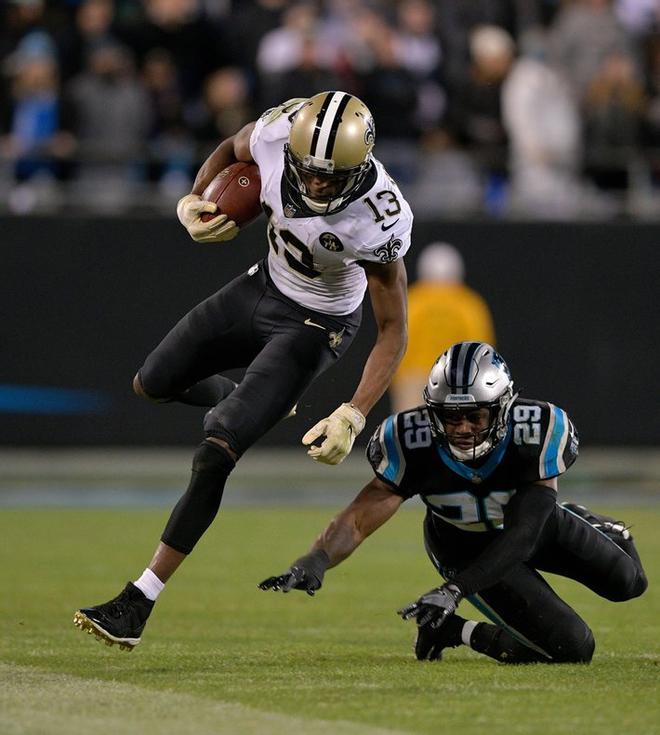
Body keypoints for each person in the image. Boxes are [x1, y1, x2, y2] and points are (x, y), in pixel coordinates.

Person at [73, 91, 412, 650]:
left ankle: (140, 600)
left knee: (215, 451)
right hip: (261, 285)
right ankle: (260, 399)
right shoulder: (280, 133)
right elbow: (231, 148)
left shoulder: (379, 215)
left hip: (317, 322)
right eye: (310, 173)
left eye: (334, 178)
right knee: (152, 382)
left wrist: (354, 412)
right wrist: (195, 196)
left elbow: (394, 329)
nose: (318, 186)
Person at [260, 341, 647, 664]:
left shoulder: (536, 430)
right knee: (572, 649)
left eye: (475, 416)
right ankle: (453, 630)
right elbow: (362, 517)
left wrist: (456, 589)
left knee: (629, 582)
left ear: (502, 409)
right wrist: (317, 558)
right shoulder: (411, 442)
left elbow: (525, 532)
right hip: (464, 549)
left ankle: (585, 520)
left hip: (534, 527)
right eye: (451, 417)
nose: (462, 429)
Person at [389, 242, 495, 413]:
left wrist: (397, 377)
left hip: (414, 378)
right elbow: (481, 346)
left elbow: (397, 340)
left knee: (410, 432)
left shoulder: (412, 300)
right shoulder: (469, 303)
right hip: (457, 379)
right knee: (457, 432)